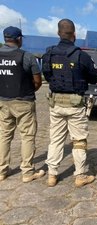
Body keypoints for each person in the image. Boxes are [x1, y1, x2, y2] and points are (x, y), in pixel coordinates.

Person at [42, 19, 97, 187]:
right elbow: (94, 78)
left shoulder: (49, 54)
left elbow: (47, 75)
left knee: (56, 140)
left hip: (56, 103)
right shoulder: (82, 55)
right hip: (75, 105)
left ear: (58, 34)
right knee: (79, 141)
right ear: (74, 35)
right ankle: (80, 176)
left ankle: (52, 175)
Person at [0, 26, 45, 183]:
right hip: (24, 101)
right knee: (27, 136)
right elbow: (38, 80)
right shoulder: (26, 56)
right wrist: (31, 89)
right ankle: (27, 172)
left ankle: (2, 171)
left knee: (4, 136)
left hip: (3, 102)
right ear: (19, 39)